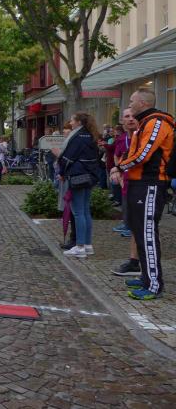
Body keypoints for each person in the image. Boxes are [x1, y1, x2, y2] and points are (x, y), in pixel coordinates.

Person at [112, 89, 174, 300]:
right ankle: (146, 277)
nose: (130, 105)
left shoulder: (156, 122)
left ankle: (154, 284)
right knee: (139, 231)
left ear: (143, 103)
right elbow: (135, 153)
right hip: (140, 182)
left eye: (132, 101)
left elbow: (143, 154)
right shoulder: (145, 123)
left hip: (151, 183)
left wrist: (120, 167)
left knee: (147, 233)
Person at [58, 112, 101, 259]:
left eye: (72, 120)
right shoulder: (91, 136)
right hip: (89, 176)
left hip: (77, 176)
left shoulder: (77, 137)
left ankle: (80, 246)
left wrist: (61, 172)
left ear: (79, 122)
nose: (70, 123)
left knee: (78, 212)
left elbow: (67, 158)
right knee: (86, 211)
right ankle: (87, 245)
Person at [111, 108, 139, 275]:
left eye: (133, 116)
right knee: (133, 226)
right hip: (127, 185)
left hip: (140, 186)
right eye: (127, 116)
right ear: (122, 121)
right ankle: (134, 261)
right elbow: (118, 158)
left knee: (141, 227)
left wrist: (119, 168)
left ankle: (141, 263)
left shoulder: (142, 137)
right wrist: (118, 172)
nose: (130, 119)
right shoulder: (122, 139)